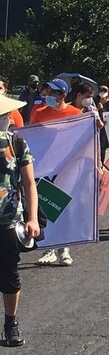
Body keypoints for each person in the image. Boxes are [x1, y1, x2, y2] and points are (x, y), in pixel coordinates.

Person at [0, 95, 40, 347]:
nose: (7, 119)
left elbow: (28, 184)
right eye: (5, 116)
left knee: (9, 275)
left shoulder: (17, 142)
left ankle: (10, 323)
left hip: (7, 221)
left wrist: (32, 217)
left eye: (6, 116)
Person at [30, 79, 83, 267]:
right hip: (45, 167)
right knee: (46, 206)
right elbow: (33, 139)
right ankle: (49, 247)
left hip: (68, 167)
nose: (48, 95)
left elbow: (84, 140)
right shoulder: (38, 113)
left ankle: (64, 248)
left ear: (63, 95)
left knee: (65, 206)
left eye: (53, 92)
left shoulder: (76, 114)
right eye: (47, 91)